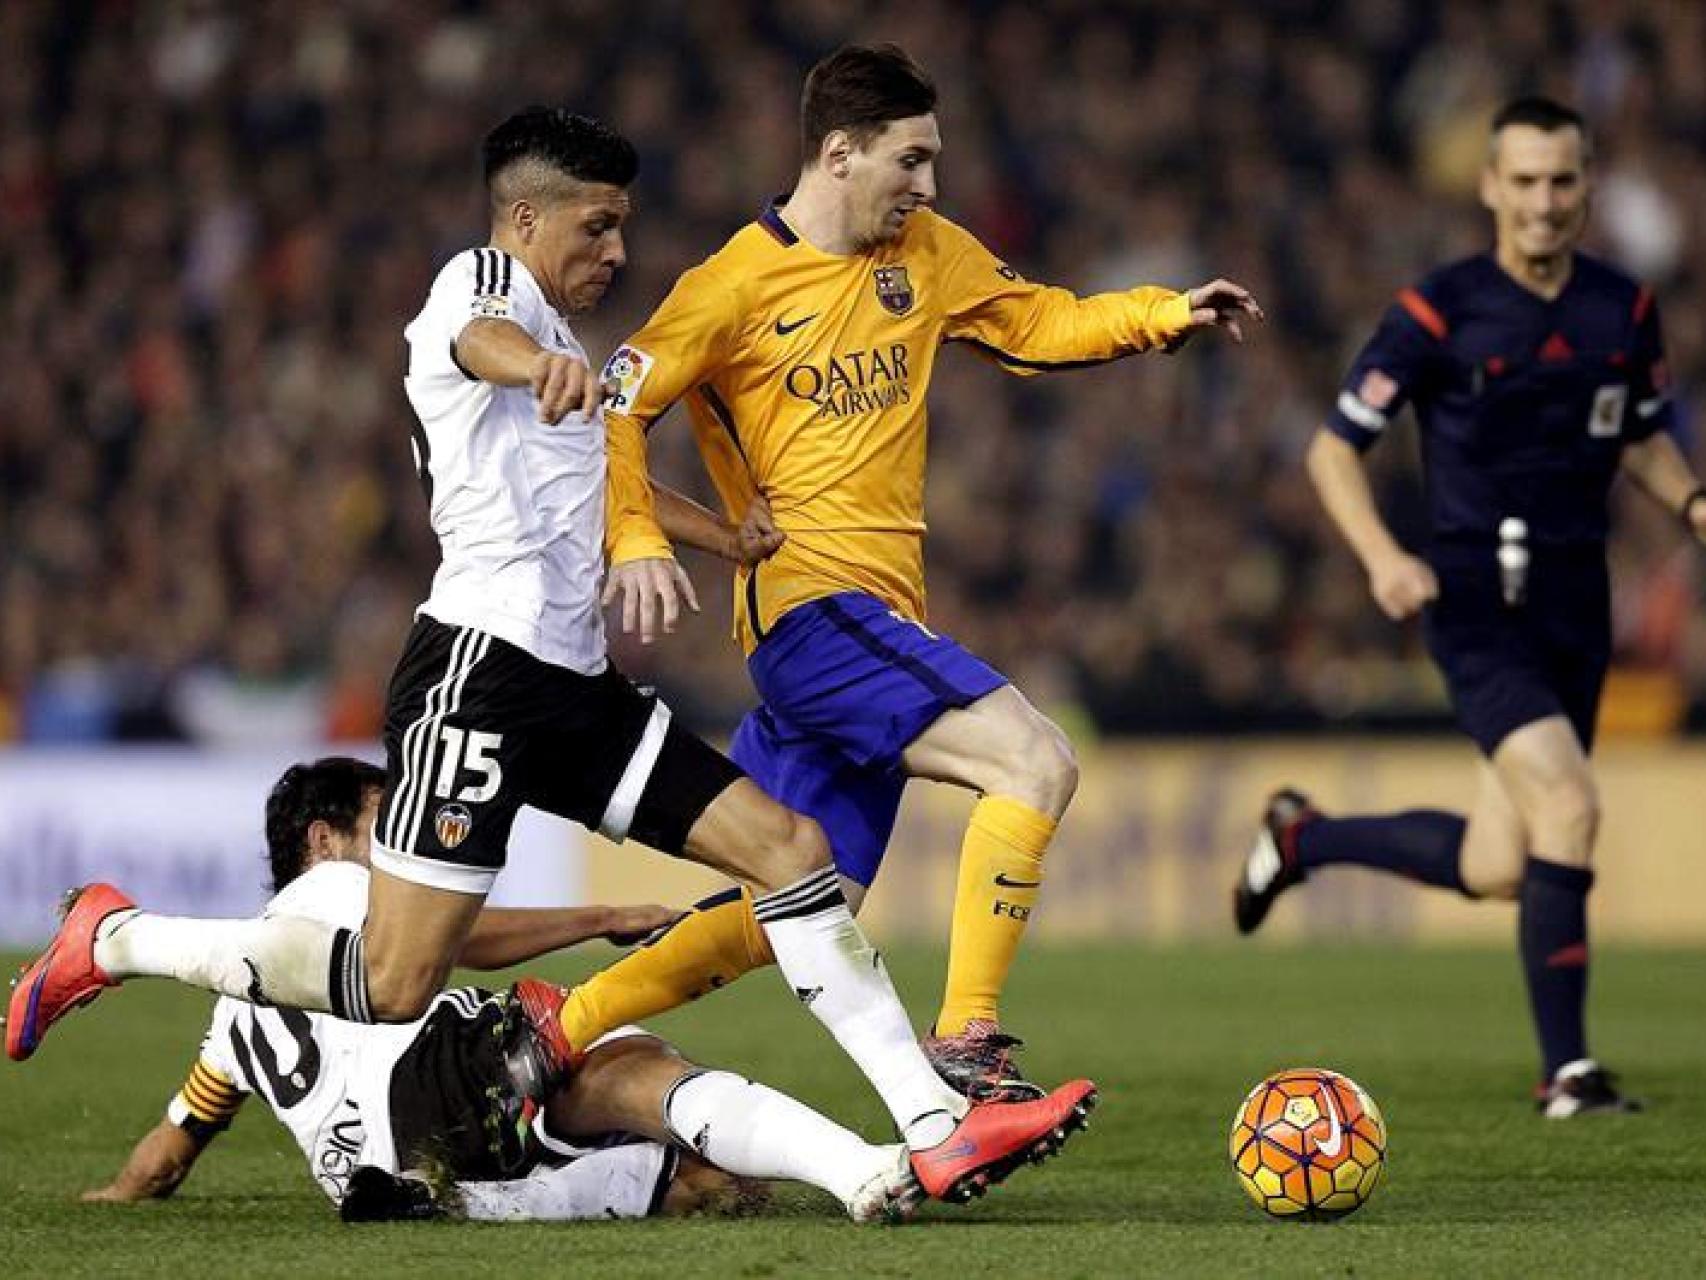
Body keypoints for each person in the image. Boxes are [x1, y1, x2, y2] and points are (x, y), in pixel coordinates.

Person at [6, 107, 1094, 1203]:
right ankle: (117, 937)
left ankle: (931, 1122)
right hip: (477, 672)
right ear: (528, 217)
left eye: (621, 227)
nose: (615, 251)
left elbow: (586, 474)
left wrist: (719, 532)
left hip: (575, 686)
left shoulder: (562, 344)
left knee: (788, 845)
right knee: (393, 979)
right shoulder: (479, 285)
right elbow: (477, 342)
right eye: (597, 226)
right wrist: (533, 366)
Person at [569, 43, 1263, 1100]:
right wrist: (640, 536)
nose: (928, 185)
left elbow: (1036, 322)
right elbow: (620, 400)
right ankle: (966, 1036)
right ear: (838, 152)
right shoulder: (729, 286)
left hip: (867, 623)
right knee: (1033, 761)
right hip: (812, 611)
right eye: (911, 160)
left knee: (800, 899)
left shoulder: (926, 252)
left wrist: (1160, 313)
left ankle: (553, 1028)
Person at [1232, 97, 1705, 1117]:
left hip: (1578, 601)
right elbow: (1330, 449)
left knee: (1501, 861)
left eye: (1561, 181)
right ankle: (1568, 1073)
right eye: (1523, 181)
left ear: (1584, 187)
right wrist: (1380, 557)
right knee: (1569, 805)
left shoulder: (1620, 308)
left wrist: (1693, 500)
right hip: (1472, 596)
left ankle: (1298, 838)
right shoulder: (1438, 308)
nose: (1542, 201)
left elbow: (1642, 437)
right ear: (1488, 186)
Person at [81, 757, 924, 1226]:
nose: (403, 843)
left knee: (698, 1183)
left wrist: (113, 1195)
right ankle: (866, 1168)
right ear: (324, 839)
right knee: (627, 1065)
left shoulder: (232, 1015)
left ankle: (444, 1197)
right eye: (386, 818)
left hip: (395, 1167)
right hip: (437, 1085)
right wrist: (607, 912)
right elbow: (462, 941)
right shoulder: (326, 890)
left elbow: (167, 1154)